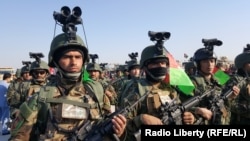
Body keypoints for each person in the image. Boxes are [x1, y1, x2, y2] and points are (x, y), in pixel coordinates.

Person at [8, 32, 126, 141]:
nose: (74, 62)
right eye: (67, 57)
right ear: (56, 62)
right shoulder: (41, 98)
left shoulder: (96, 92)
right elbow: (18, 137)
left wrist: (118, 132)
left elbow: (105, 129)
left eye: (78, 57)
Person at [120, 35, 196, 141]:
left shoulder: (170, 88)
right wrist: (140, 119)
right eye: (155, 63)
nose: (160, 66)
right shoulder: (136, 88)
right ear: (145, 66)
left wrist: (189, 118)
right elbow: (120, 127)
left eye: (163, 63)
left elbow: (179, 110)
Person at [189, 39, 239, 125]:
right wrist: (197, 110)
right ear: (197, 64)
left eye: (212, 61)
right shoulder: (191, 81)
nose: (210, 65)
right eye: (205, 61)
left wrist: (231, 97)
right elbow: (181, 106)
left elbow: (226, 104)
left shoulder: (220, 78)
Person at [230, 44, 250, 125]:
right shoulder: (236, 80)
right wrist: (247, 109)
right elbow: (230, 103)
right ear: (243, 64)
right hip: (241, 121)